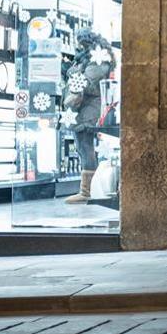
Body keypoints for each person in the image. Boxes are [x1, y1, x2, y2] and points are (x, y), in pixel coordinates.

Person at [61, 29, 115, 204]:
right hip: (83, 109)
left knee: (86, 147)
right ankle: (87, 189)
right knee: (82, 146)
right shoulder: (87, 58)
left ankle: (87, 191)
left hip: (89, 109)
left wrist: (73, 78)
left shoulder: (99, 58)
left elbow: (87, 82)